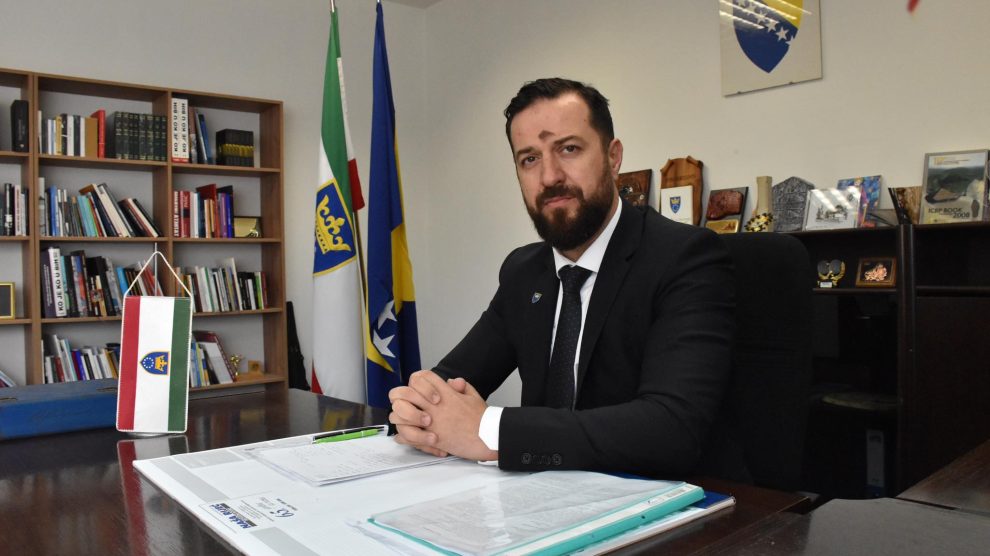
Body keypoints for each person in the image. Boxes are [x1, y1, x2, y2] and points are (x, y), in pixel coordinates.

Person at [388, 78, 738, 478]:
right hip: (544, 496)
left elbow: (671, 428)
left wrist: (490, 430)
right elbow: (449, 383)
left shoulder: (685, 258)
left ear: (613, 157)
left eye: (568, 149)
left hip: (667, 499)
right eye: (529, 159)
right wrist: (416, 410)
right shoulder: (523, 271)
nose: (549, 176)